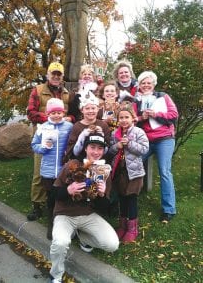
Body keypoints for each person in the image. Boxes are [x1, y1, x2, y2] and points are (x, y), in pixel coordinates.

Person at [49, 132, 119, 283]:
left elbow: (105, 206)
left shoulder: (104, 170)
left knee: (112, 244)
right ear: (85, 148)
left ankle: (83, 238)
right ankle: (56, 275)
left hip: (88, 215)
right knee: (60, 242)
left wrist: (101, 194)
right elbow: (52, 193)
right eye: (92, 147)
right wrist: (67, 191)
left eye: (100, 148)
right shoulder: (72, 165)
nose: (96, 152)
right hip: (65, 214)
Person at [27, 62, 74, 222]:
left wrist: (68, 118)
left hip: (62, 138)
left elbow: (74, 114)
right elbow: (31, 113)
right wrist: (50, 117)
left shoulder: (68, 93)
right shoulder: (38, 90)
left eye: (58, 74)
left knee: (62, 169)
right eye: (53, 73)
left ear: (62, 77)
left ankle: (58, 202)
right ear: (48, 75)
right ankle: (37, 205)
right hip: (43, 137)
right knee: (39, 171)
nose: (55, 77)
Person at [134, 71, 179, 222]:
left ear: (153, 84)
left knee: (164, 171)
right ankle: (127, 201)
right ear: (139, 85)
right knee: (132, 164)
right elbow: (132, 120)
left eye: (148, 83)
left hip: (164, 139)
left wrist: (156, 114)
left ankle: (169, 209)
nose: (146, 85)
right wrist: (142, 117)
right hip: (145, 140)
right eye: (143, 83)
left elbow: (174, 115)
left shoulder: (163, 96)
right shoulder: (137, 100)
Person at [31, 98, 73, 239]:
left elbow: (73, 143)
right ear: (48, 113)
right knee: (51, 199)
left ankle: (66, 227)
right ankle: (52, 225)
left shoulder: (69, 126)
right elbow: (34, 145)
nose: (56, 115)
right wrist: (42, 148)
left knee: (64, 199)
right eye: (53, 112)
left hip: (63, 171)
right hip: (47, 171)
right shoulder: (42, 127)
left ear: (63, 112)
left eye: (59, 112)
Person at [109, 104, 149, 243]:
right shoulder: (115, 134)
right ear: (117, 119)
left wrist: (130, 144)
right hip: (120, 172)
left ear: (133, 118)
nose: (124, 120)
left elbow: (144, 149)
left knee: (131, 199)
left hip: (134, 173)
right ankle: (122, 226)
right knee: (122, 198)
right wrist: (117, 146)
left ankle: (132, 229)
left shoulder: (138, 132)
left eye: (127, 117)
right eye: (121, 118)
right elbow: (110, 151)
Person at [64, 90, 111, 162]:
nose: (90, 111)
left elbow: (108, 146)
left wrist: (101, 135)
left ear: (98, 109)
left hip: (99, 161)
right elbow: (71, 149)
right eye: (87, 108)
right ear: (82, 110)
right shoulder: (77, 126)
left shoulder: (103, 125)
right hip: (81, 161)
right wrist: (83, 136)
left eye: (93, 108)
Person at [61, 0, 90, 82]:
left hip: (75, 4)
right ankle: (72, 78)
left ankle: (73, 78)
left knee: (75, 48)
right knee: (74, 48)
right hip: (72, 5)